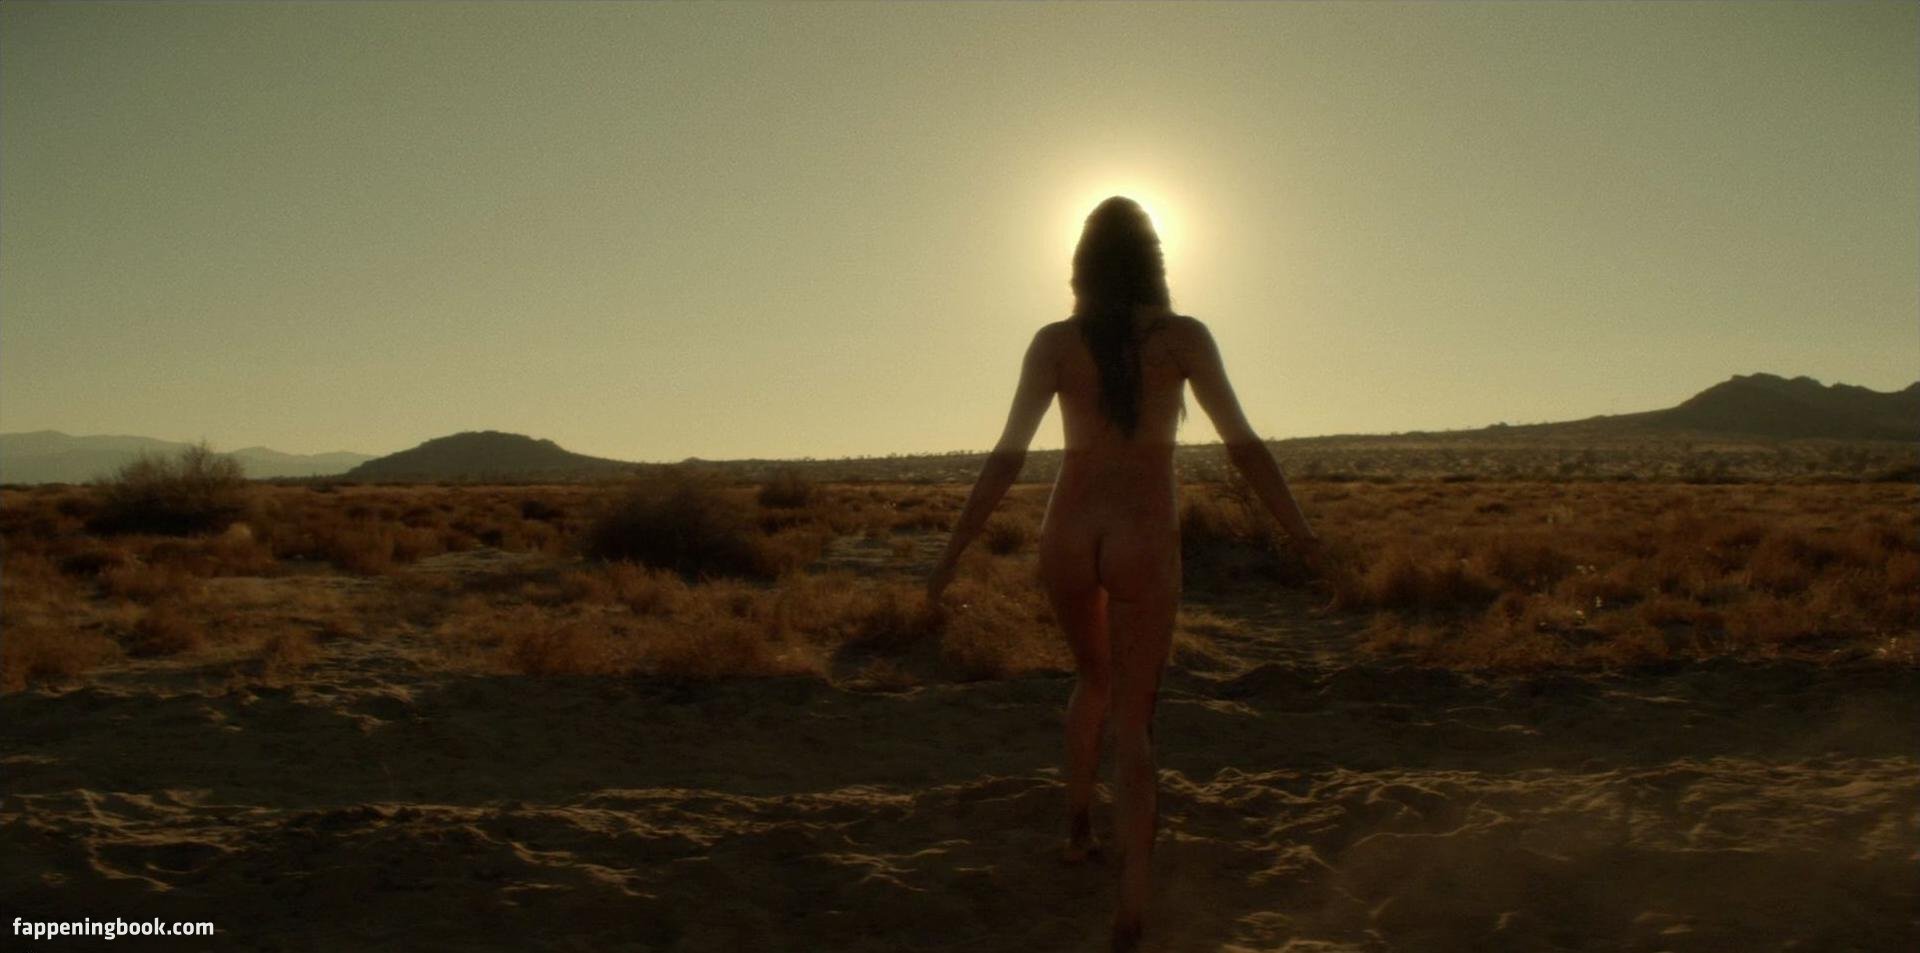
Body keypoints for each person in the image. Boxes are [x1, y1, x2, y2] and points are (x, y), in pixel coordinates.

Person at [925, 196, 1320, 951]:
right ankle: (1132, 900)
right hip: (1143, 532)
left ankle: (1078, 829)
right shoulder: (1183, 338)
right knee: (1135, 719)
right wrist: (1299, 533)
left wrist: (949, 555)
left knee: (1092, 679)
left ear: (1081, 266)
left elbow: (1007, 457)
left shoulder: (1054, 343)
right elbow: (1243, 445)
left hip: (1068, 531)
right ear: (1154, 262)